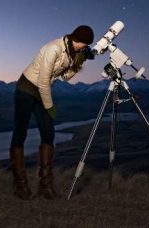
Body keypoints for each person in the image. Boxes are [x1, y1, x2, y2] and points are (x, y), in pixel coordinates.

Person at [10, 25, 94, 199]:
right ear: (77, 40)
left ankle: (45, 186)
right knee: (20, 133)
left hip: (42, 90)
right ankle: (20, 186)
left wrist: (81, 61)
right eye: (85, 45)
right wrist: (49, 106)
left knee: (48, 134)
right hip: (27, 89)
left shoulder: (72, 52)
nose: (85, 48)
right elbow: (42, 81)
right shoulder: (54, 48)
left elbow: (65, 77)